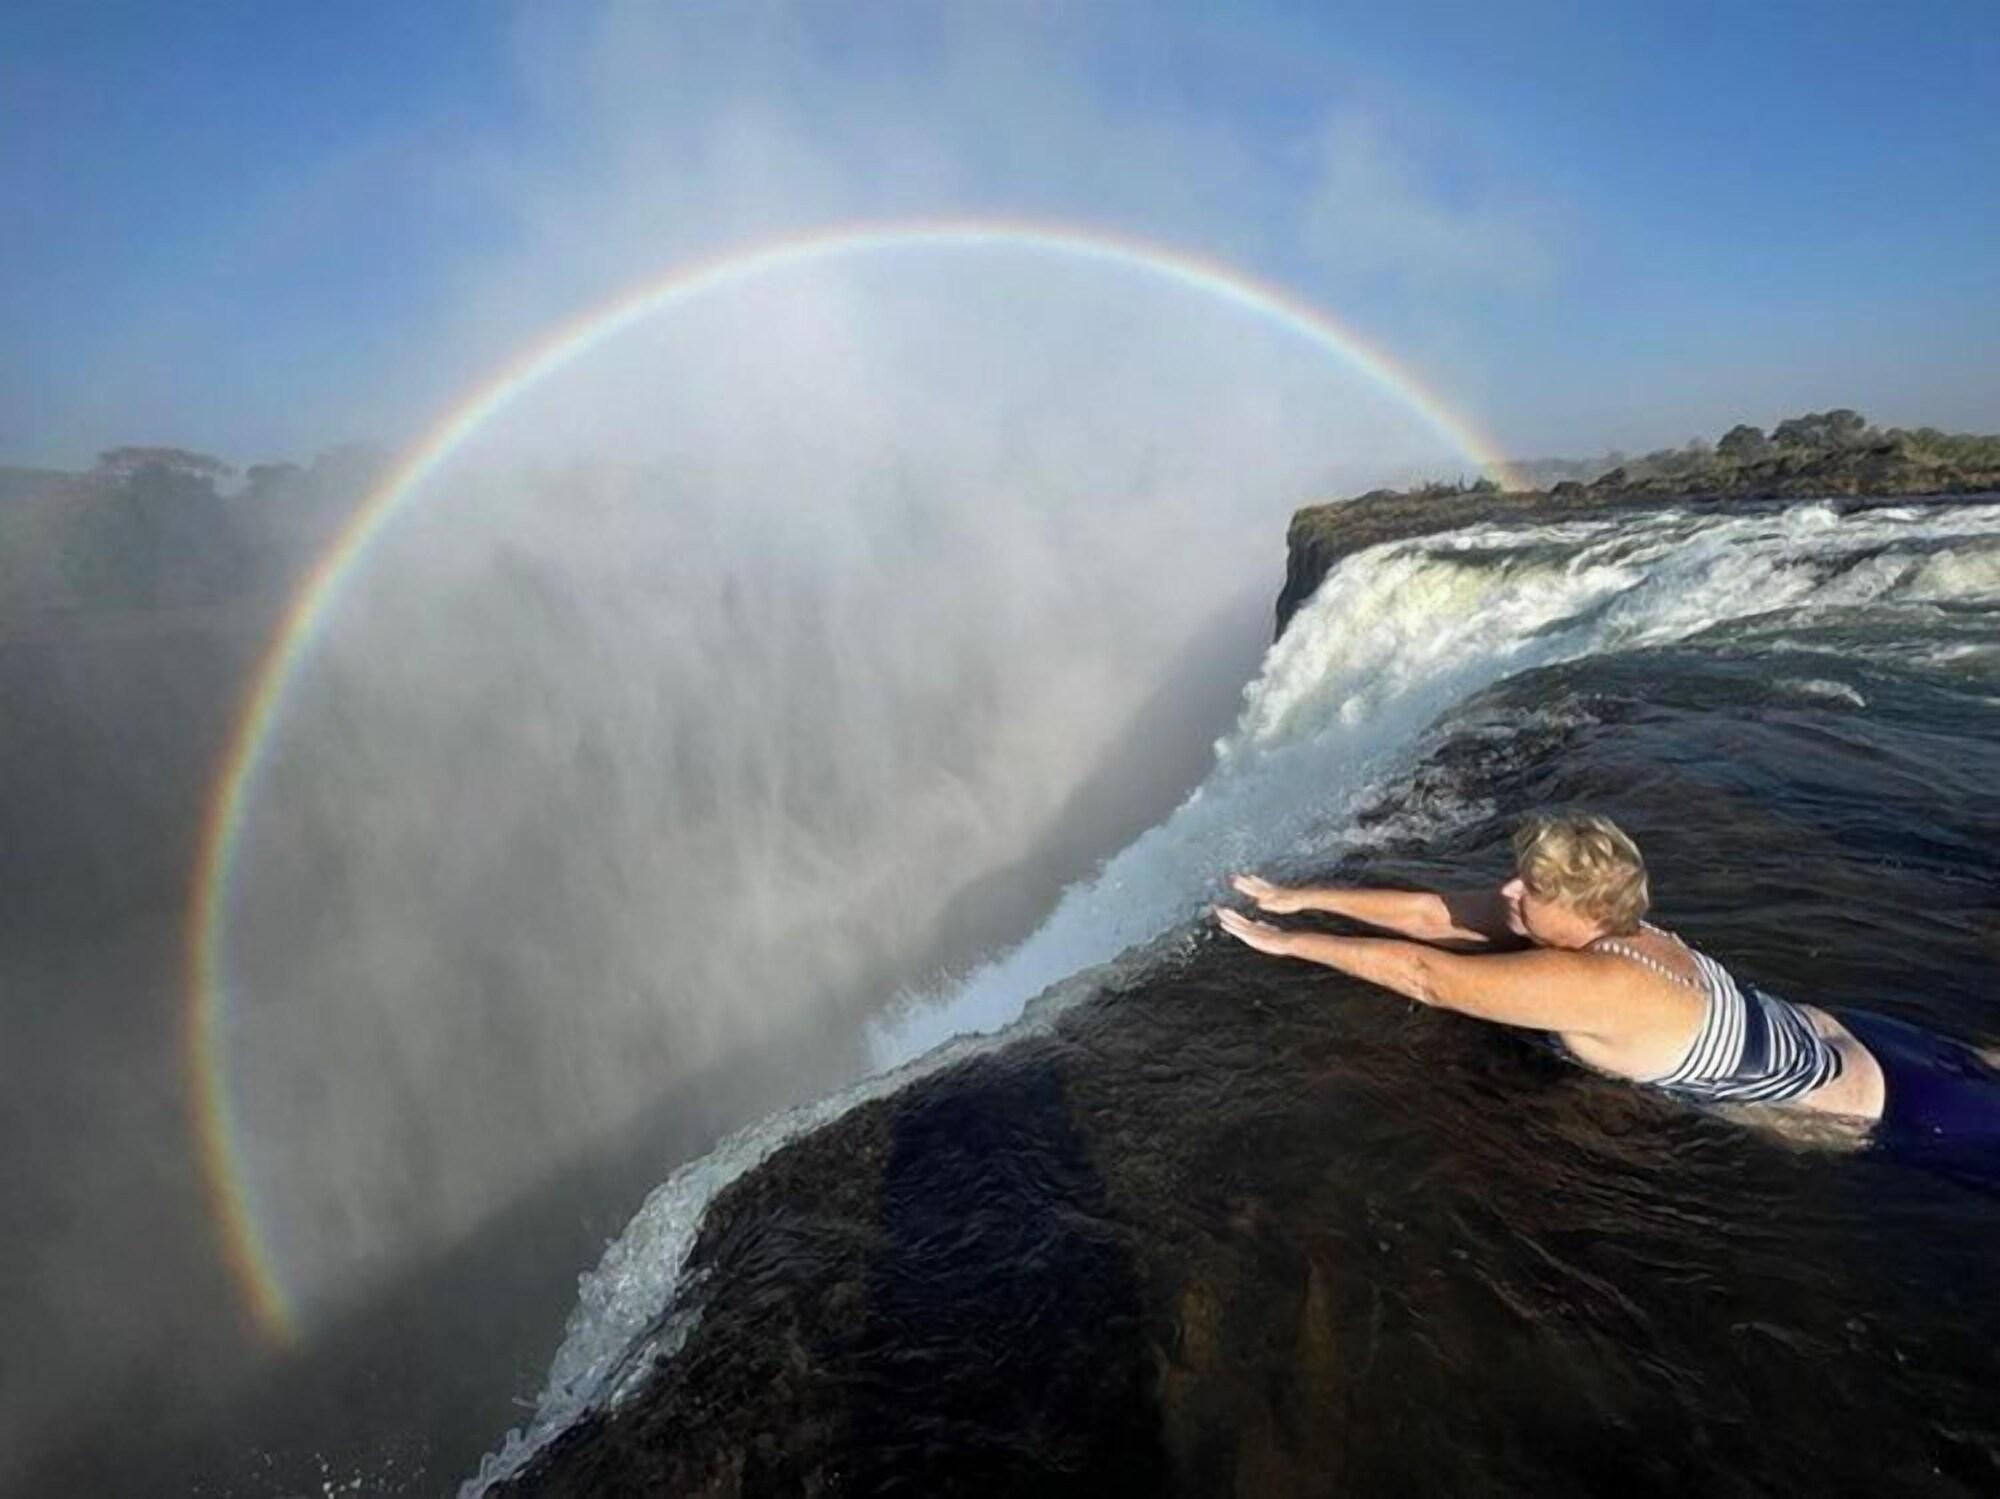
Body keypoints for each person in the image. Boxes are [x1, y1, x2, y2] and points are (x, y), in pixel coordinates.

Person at [1215, 812, 2000, 1147]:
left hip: (1884, 1106)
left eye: (1531, 889)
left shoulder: (1593, 982)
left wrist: (1288, 944)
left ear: (1584, 905)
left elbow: (1424, 974)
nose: (1510, 894)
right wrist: (1301, 893)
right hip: (1860, 1034)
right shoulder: (1634, 932)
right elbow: (1431, 913)